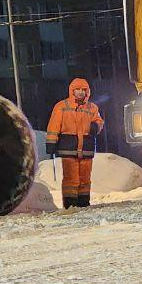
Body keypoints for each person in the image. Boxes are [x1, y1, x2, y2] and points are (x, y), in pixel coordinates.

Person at [45, 78, 105, 209]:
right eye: (77, 89)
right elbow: (54, 126)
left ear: (87, 92)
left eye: (84, 90)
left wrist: (96, 126)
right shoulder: (62, 106)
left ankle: (84, 202)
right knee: (71, 178)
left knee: (85, 178)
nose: (81, 92)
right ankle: (70, 203)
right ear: (72, 91)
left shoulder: (93, 108)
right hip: (69, 148)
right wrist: (51, 143)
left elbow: (99, 121)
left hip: (86, 148)